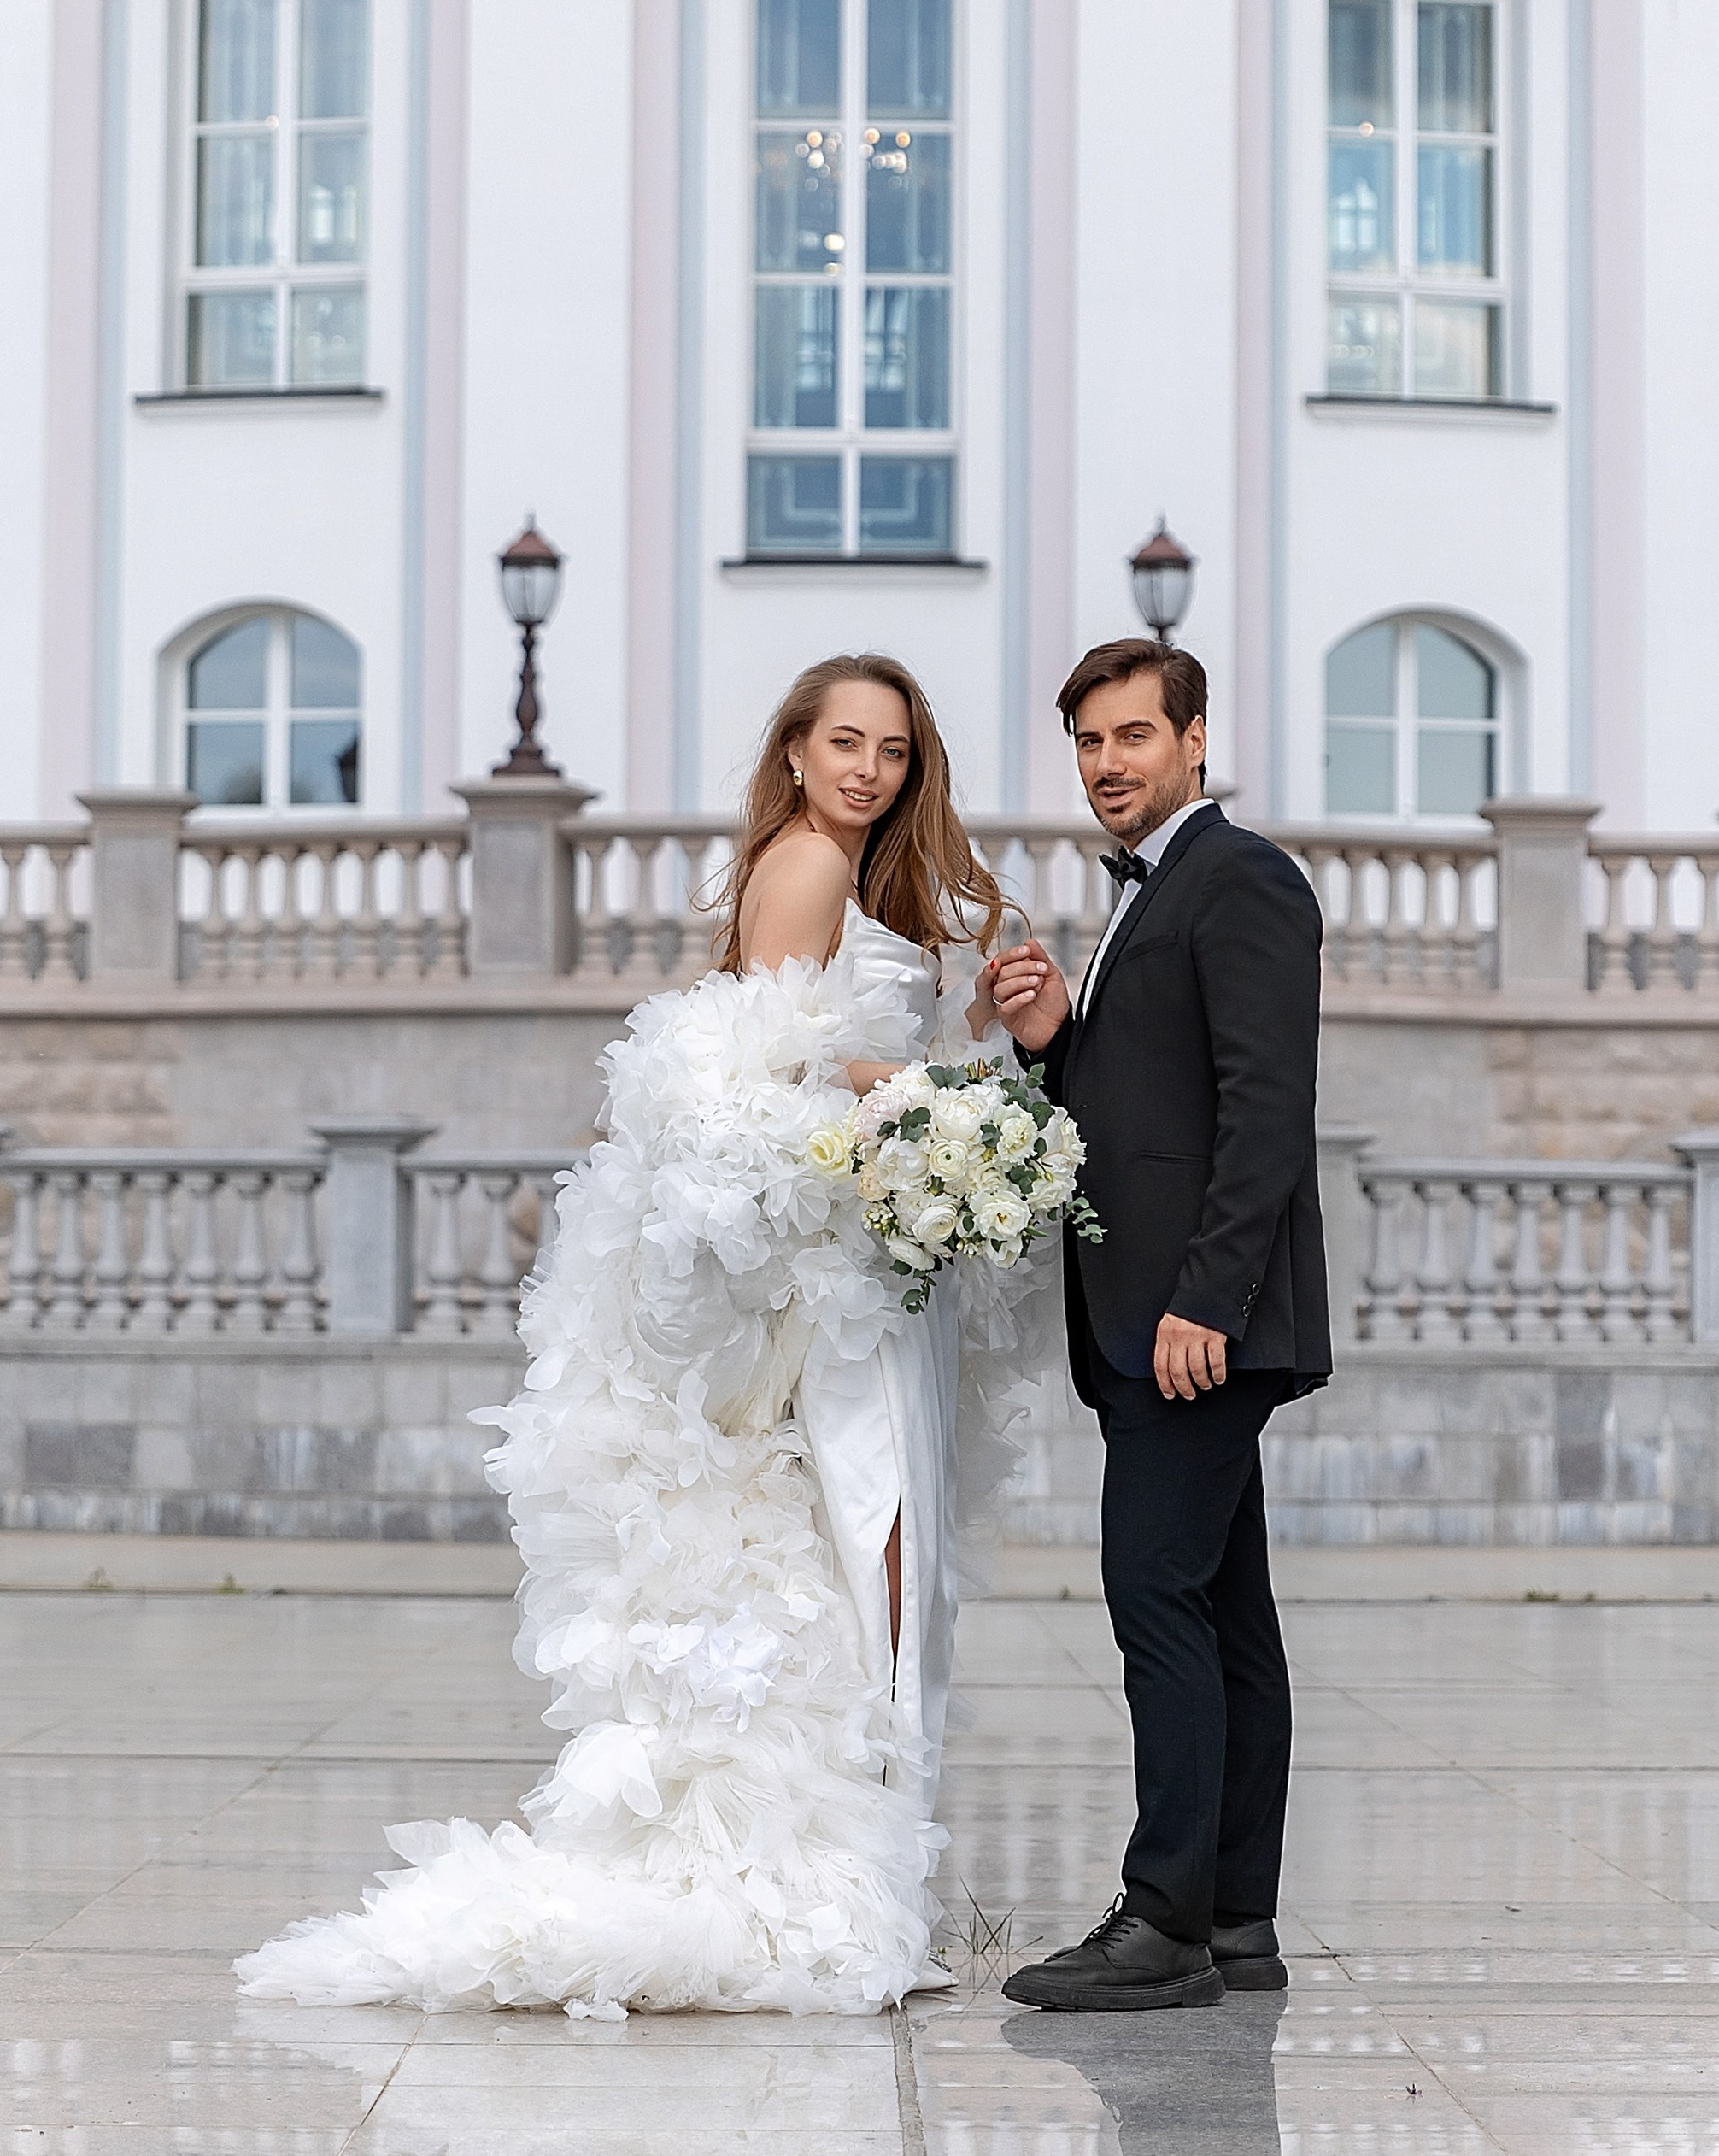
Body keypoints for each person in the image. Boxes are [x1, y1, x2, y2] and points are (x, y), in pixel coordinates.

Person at [237, 655, 1046, 2018]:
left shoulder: (858, 881)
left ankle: (867, 1884)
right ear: (792, 752)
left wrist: (958, 1061)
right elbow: (742, 1079)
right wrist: (923, 1098)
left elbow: (812, 1055)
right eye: (842, 743)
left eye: (892, 752)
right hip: (836, 1284)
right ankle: (853, 1904)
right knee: (878, 1559)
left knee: (883, 1567)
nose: (865, 771)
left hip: (869, 1266)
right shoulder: (804, 868)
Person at [986, 637, 1329, 2013]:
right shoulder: (1150, 892)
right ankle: (1236, 1919)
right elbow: (1150, 1103)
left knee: (1153, 1600)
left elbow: (1263, 1110)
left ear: (1193, 738)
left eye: (1132, 736)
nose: (1107, 765)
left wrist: (1207, 1298)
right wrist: (1055, 1037)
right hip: (1160, 1313)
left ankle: (1163, 1920)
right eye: (1087, 743)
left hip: (1192, 1321)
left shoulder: (1239, 876)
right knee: (1225, 1614)